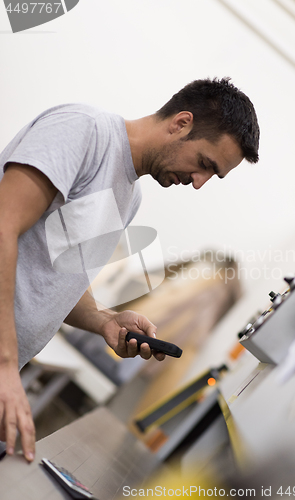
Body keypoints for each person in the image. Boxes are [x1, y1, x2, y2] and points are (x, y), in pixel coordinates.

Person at [0, 77, 259, 462]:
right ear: (180, 123)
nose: (199, 183)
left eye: (213, 176)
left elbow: (54, 277)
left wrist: (105, 320)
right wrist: (5, 364)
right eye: (204, 164)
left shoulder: (129, 196)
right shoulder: (84, 131)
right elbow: (4, 227)